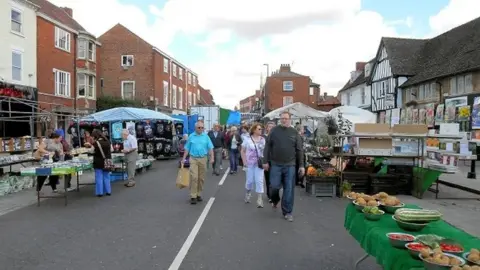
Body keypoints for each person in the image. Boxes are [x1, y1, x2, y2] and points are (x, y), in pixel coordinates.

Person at [263, 111, 304, 222]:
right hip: (276, 164)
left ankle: (288, 212)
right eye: (282, 118)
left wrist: (301, 165)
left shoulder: (294, 133)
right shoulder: (274, 131)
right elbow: (267, 146)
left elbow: (299, 150)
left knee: (289, 189)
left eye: (286, 118)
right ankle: (275, 199)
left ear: (290, 119)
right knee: (274, 187)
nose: (284, 120)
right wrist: (265, 161)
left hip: (290, 165)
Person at [182, 121, 214, 205]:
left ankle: (199, 194)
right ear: (195, 128)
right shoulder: (191, 136)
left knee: (201, 178)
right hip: (193, 159)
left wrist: (212, 157)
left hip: (203, 158)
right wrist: (184, 158)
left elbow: (210, 148)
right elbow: (187, 148)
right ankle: (193, 196)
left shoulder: (206, 136)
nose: (200, 129)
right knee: (194, 177)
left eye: (202, 127)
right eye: (199, 127)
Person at [241, 123, 266, 208]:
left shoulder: (263, 139)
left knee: (259, 181)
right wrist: (244, 162)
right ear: (254, 130)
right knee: (250, 181)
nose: (261, 130)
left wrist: (266, 162)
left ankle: (259, 199)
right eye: (259, 129)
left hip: (259, 164)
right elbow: (243, 151)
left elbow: (265, 152)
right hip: (250, 164)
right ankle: (248, 193)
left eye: (261, 129)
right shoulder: (247, 139)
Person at [91, 129, 112, 197]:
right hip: (107, 160)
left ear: (95, 136)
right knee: (107, 176)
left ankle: (100, 193)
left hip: (98, 161)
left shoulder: (96, 143)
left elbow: (92, 151)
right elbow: (112, 149)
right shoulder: (108, 141)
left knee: (99, 177)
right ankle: (108, 191)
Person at [263, 121, 275, 203]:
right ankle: (269, 194)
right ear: (266, 128)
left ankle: (272, 195)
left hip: (276, 160)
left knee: (274, 179)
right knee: (268, 179)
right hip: (267, 160)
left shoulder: (277, 137)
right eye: (269, 126)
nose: (271, 128)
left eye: (272, 126)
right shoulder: (263, 137)